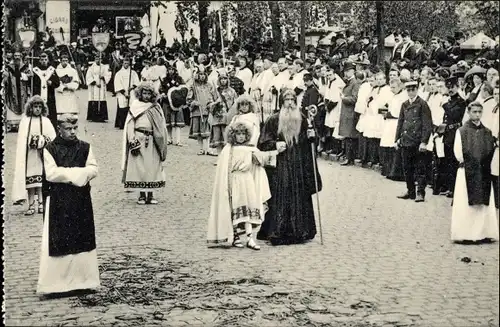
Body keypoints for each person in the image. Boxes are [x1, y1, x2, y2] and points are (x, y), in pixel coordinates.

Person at [37, 113, 100, 296]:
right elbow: (51, 174)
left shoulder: (85, 147)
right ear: (60, 129)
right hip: (60, 201)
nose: (72, 132)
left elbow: (93, 168)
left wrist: (76, 174)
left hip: (81, 201)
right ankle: (56, 285)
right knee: (60, 240)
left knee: (82, 239)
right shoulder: (50, 149)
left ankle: (84, 281)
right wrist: (78, 175)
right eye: (68, 129)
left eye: (75, 129)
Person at [257, 88, 322, 245]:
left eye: (293, 100)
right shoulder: (273, 120)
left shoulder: (303, 119)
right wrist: (275, 144)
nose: (290, 104)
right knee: (281, 195)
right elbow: (263, 142)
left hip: (299, 165)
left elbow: (311, 142)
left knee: (299, 196)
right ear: (282, 102)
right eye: (287, 100)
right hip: (281, 165)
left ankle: (300, 232)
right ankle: (278, 231)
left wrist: (313, 137)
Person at [207, 121, 274, 250]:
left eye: (243, 133)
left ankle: (250, 238)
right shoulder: (229, 149)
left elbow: (262, 159)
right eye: (238, 134)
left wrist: (275, 152)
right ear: (233, 135)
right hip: (235, 180)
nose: (241, 136)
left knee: (249, 207)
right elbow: (224, 168)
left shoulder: (251, 148)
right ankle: (235, 236)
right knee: (235, 207)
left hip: (247, 180)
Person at [450, 102, 498, 243]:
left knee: (483, 203)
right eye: (474, 112)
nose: (477, 115)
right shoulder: (462, 131)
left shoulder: (487, 132)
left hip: (483, 171)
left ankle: (483, 232)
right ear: (469, 112)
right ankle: (466, 234)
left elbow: (490, 149)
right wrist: (468, 162)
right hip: (467, 171)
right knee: (466, 202)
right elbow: (458, 151)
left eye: (479, 112)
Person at [122, 82, 168, 205]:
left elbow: (161, 125)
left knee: (151, 167)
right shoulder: (135, 106)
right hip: (139, 138)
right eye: (144, 93)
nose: (146, 95)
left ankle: (151, 194)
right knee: (139, 168)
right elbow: (130, 124)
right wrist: (132, 139)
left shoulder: (155, 107)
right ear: (140, 93)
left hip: (152, 140)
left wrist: (161, 139)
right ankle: (142, 195)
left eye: (149, 93)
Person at [12, 96, 57, 214]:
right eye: (35, 107)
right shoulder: (25, 121)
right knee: (31, 179)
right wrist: (31, 142)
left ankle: (41, 203)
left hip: (42, 155)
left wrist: (43, 141)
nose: (37, 109)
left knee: (41, 180)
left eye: (39, 107)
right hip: (30, 155)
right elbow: (22, 138)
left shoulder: (46, 121)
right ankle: (31, 204)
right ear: (30, 108)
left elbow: (53, 137)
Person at [395, 80, 433, 202]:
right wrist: (397, 139)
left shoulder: (422, 104)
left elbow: (427, 124)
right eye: (408, 90)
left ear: (417, 89)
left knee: (420, 168)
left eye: (413, 89)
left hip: (417, 141)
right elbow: (400, 122)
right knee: (407, 168)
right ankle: (410, 191)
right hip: (406, 140)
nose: (411, 92)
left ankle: (420, 193)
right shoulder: (404, 104)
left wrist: (424, 141)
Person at [187, 67, 217, 155]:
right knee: (199, 131)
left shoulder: (209, 85)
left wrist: (211, 103)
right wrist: (194, 102)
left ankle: (207, 148)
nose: (202, 76)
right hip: (197, 111)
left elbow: (212, 96)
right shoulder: (193, 86)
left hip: (206, 110)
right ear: (197, 75)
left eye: (204, 74)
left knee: (206, 130)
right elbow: (188, 99)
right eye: (200, 74)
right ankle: (201, 148)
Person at [209, 69, 238, 155]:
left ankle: (226, 157)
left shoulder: (232, 91)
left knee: (227, 139)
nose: (223, 81)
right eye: (221, 79)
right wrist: (215, 103)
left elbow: (236, 104)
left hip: (227, 117)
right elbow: (209, 103)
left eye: (225, 79)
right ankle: (219, 157)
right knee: (217, 139)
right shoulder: (214, 91)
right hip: (217, 117)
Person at [338, 64, 361, 165]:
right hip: (347, 112)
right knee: (347, 136)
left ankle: (349, 157)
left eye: (347, 71)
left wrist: (344, 98)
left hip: (350, 113)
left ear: (352, 71)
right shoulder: (349, 82)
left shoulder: (354, 83)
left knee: (350, 136)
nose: (345, 73)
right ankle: (348, 156)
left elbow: (355, 98)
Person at [3, 51, 30, 131]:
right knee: (12, 102)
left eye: (18, 55)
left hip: (22, 90)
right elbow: (4, 77)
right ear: (13, 57)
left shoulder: (25, 67)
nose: (17, 57)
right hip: (12, 90)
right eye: (15, 55)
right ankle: (12, 125)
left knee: (22, 104)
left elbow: (31, 75)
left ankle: (22, 124)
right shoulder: (8, 67)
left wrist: (24, 75)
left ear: (21, 56)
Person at [32, 52, 60, 128]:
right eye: (42, 59)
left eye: (45, 59)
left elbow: (57, 83)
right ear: (39, 60)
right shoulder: (35, 70)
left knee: (50, 113)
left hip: (49, 96)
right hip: (38, 95)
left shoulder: (51, 70)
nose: (44, 61)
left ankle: (51, 129)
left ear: (48, 60)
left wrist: (52, 83)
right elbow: (31, 84)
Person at [114, 57, 139, 129]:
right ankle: (122, 124)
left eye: (128, 63)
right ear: (122, 63)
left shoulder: (133, 73)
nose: (126, 65)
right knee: (122, 107)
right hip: (122, 93)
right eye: (125, 63)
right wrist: (124, 93)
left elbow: (136, 82)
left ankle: (130, 123)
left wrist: (132, 88)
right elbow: (118, 84)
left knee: (131, 106)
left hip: (131, 92)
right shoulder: (119, 73)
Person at [86, 53, 111, 122]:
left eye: (99, 59)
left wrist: (103, 77)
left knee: (102, 99)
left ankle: (102, 117)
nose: (98, 60)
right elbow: (88, 77)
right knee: (94, 99)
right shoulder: (91, 67)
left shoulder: (104, 67)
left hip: (102, 85)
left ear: (101, 59)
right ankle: (93, 117)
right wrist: (94, 83)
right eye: (97, 59)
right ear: (95, 59)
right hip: (94, 86)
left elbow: (108, 75)